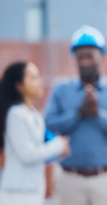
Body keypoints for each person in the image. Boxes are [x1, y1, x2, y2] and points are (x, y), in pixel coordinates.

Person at [45, 25, 107, 205]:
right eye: (80, 57)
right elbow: (48, 124)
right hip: (70, 179)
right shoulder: (61, 89)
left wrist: (97, 114)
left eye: (90, 56)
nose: (85, 62)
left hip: (105, 178)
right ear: (75, 58)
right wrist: (78, 114)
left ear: (101, 56)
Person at [0, 62, 70, 205]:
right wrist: (58, 145)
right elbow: (27, 154)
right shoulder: (16, 114)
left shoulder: (34, 114)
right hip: (17, 194)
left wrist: (57, 149)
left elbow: (39, 152)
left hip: (33, 191)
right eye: (33, 78)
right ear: (19, 85)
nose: (40, 81)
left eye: (38, 76)